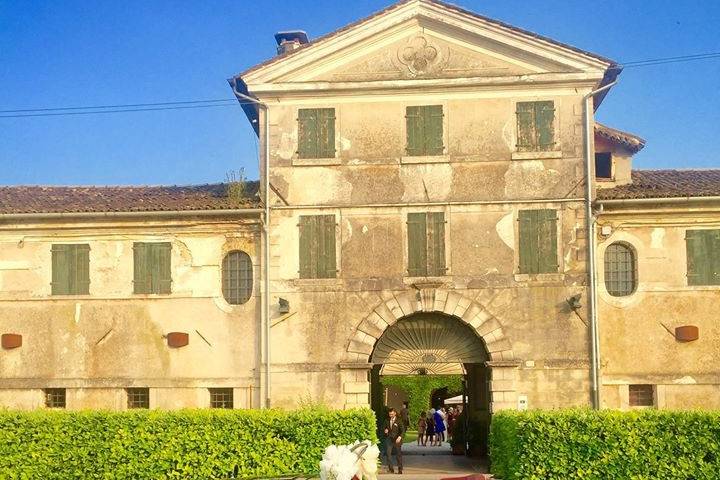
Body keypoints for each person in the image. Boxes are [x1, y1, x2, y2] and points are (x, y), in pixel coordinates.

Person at [382, 408, 405, 474]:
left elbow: (402, 430)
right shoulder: (386, 420)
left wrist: (400, 437)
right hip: (389, 439)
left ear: (395, 413)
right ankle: (391, 469)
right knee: (388, 454)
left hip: (397, 439)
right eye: (389, 414)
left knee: (398, 455)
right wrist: (385, 431)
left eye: (392, 414)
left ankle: (400, 469)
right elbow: (384, 429)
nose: (390, 415)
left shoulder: (399, 421)